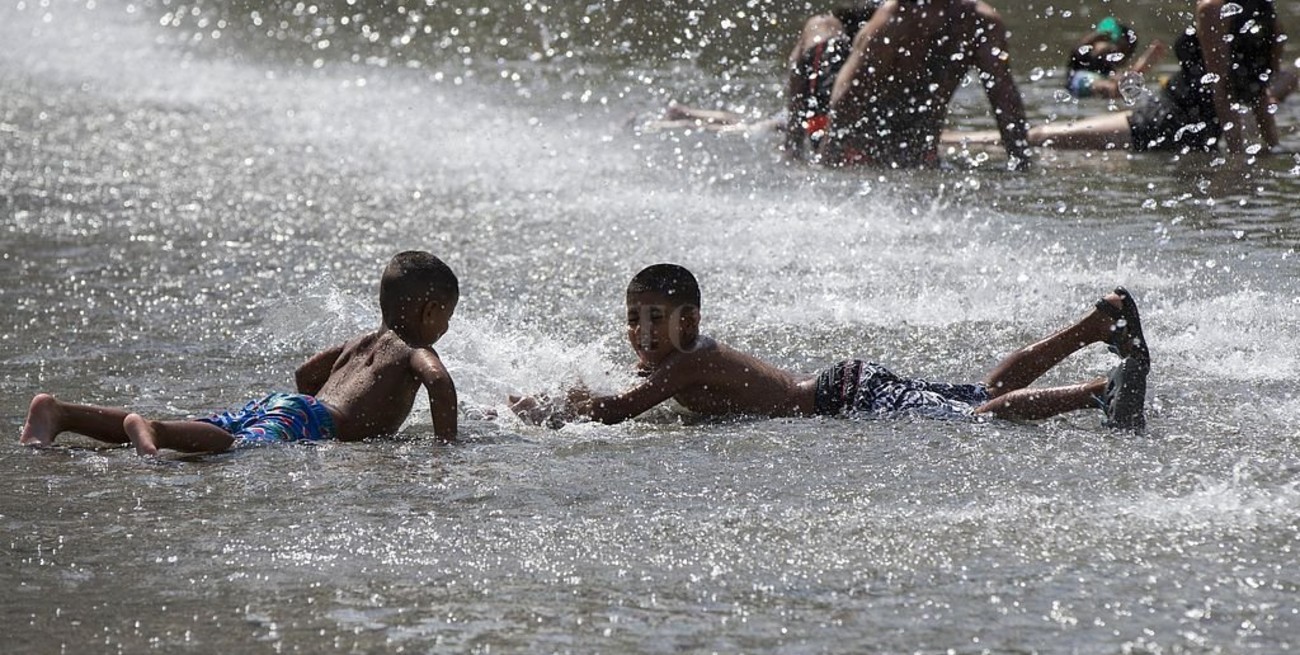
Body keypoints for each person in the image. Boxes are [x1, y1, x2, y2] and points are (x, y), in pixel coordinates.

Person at [508, 264, 1150, 432]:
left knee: (974, 419)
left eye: (656, 319)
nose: (642, 333)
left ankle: (1099, 392)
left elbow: (622, 409)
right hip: (846, 384)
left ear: (690, 320)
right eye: (633, 320)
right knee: (981, 392)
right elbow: (626, 392)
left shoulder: (691, 360)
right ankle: (1094, 327)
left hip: (842, 397)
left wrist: (552, 413)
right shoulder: (680, 358)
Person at [20, 251, 461, 456]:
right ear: (429, 311)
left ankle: (59, 413)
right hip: (310, 419)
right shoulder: (413, 351)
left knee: (204, 426)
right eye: (447, 318)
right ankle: (150, 426)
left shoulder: (360, 341)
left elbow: (306, 374)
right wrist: (446, 444)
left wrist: (315, 406)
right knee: (232, 446)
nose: (446, 328)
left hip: (291, 408)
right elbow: (438, 382)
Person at [959, 0, 1284, 154]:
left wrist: (1239, 156)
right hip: (1184, 121)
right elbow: (1258, 86)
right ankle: (953, 140)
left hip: (1165, 121)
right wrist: (1271, 146)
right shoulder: (1264, 9)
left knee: (1042, 135)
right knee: (1055, 139)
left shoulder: (1212, 7)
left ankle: (955, 141)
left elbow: (1221, 86)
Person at [814, 0, 1032, 169]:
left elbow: (1006, 102)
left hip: (919, 151)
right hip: (857, 144)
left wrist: (1021, 166)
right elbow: (845, 99)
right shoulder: (892, 20)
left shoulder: (981, 23)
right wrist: (825, 165)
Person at [1064, 17, 1167, 101]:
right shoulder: (1083, 60)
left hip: (1092, 84)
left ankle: (1135, 73)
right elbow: (1078, 51)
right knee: (1115, 88)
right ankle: (1137, 71)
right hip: (1081, 81)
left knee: (1121, 84)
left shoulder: (1107, 67)